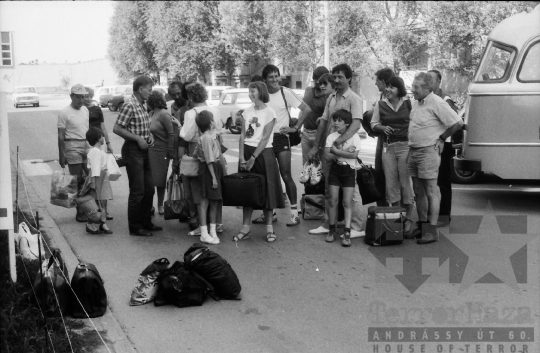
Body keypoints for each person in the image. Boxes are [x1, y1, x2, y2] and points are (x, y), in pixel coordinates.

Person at [309, 64, 366, 238]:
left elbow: (356, 124)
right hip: (330, 150)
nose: (337, 80)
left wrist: (339, 142)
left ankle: (356, 227)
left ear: (349, 78)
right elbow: (324, 122)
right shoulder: (332, 97)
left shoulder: (353, 98)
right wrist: (316, 146)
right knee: (329, 188)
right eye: (335, 77)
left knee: (351, 191)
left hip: (345, 150)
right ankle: (329, 223)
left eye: (341, 77)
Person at [405, 72, 463, 244]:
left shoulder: (437, 102)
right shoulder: (417, 103)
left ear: (427, 88)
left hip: (428, 151)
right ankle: (422, 226)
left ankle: (431, 231)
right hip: (414, 151)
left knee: (431, 191)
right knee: (418, 191)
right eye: (412, 86)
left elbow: (457, 123)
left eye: (415, 87)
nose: (412, 90)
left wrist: (442, 138)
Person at [252, 64, 312, 227]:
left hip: (281, 138)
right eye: (270, 77)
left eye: (276, 76)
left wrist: (295, 127)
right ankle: (270, 214)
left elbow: (306, 109)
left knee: (286, 175)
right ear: (264, 79)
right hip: (265, 139)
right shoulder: (261, 94)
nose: (274, 80)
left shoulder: (285, 92)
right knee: (267, 176)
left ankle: (294, 214)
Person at [233, 81, 285, 242]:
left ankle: (269, 229)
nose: (250, 94)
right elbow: (242, 136)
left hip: (263, 154)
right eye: (249, 91)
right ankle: (245, 228)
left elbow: (265, 138)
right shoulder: (246, 112)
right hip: (247, 151)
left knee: (267, 191)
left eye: (253, 91)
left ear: (261, 92)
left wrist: (253, 158)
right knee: (247, 191)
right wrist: (242, 158)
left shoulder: (270, 113)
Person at [113, 75, 162, 237]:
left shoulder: (142, 105)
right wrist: (137, 138)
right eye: (149, 90)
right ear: (140, 90)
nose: (150, 93)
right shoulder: (130, 105)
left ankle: (146, 222)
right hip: (133, 151)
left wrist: (149, 136)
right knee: (138, 191)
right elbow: (117, 128)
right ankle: (135, 226)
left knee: (149, 189)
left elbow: (143, 128)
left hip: (144, 150)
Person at [370, 77, 415, 233]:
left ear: (399, 89)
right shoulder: (380, 104)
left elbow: (417, 122)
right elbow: (373, 123)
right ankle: (397, 217)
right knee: (391, 185)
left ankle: (408, 218)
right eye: (387, 87)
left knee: (406, 184)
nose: (388, 90)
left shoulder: (409, 103)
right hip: (388, 148)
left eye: (392, 87)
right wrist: (382, 128)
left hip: (405, 147)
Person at [180, 82, 225, 236]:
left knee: (198, 189)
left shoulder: (191, 113)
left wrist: (179, 127)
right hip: (215, 148)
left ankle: (202, 223)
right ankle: (217, 222)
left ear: (191, 96)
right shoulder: (215, 110)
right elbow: (219, 130)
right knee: (215, 188)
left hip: (197, 148)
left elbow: (186, 135)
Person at [324, 110, 362, 247]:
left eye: (339, 120)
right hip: (335, 170)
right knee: (333, 200)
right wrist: (344, 152)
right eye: (335, 120)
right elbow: (327, 156)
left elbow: (354, 156)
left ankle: (347, 232)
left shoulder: (355, 137)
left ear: (347, 124)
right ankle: (332, 229)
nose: (336, 123)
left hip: (349, 171)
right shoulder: (331, 137)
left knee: (347, 202)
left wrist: (336, 150)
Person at [428, 70, 459, 226]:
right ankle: (433, 214)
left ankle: (444, 217)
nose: (428, 82)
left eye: (431, 80)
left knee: (443, 181)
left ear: (439, 81)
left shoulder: (445, 100)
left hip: (444, 145)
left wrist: (441, 137)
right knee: (432, 182)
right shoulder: (427, 99)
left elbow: (455, 123)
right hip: (431, 145)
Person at [57, 84, 90, 222]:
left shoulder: (85, 110)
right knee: (77, 179)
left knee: (89, 178)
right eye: (78, 97)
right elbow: (60, 135)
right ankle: (79, 211)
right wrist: (61, 154)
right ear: (71, 96)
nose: (81, 100)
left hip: (85, 144)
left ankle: (88, 208)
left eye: (83, 97)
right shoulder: (64, 112)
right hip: (72, 145)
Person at [194, 110, 224, 245]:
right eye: (212, 120)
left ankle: (212, 231)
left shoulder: (209, 136)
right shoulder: (206, 138)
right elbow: (209, 159)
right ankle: (204, 233)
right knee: (205, 201)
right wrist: (213, 177)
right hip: (208, 170)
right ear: (209, 123)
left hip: (212, 168)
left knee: (214, 201)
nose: (214, 122)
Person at [147, 90, 176, 215]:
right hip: (151, 150)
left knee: (160, 179)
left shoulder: (164, 114)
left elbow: (171, 133)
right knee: (150, 180)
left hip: (162, 151)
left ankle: (160, 204)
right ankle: (150, 205)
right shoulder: (151, 113)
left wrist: (170, 150)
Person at [373, 68, 396, 207]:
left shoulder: (397, 98)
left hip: (394, 141)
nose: (375, 84)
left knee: (392, 177)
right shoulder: (381, 98)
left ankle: (395, 211)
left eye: (377, 80)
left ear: (383, 81)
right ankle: (382, 210)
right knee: (379, 174)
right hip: (382, 139)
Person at [84, 127, 113, 235]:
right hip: (98, 178)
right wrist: (95, 184)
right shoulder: (95, 151)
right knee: (97, 203)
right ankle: (91, 223)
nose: (103, 138)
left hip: (102, 177)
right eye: (102, 136)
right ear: (98, 138)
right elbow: (95, 168)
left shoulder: (98, 151)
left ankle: (102, 222)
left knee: (103, 202)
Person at [298, 66, 329, 166]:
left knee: (319, 167)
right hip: (306, 133)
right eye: (315, 79)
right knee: (306, 167)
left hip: (319, 134)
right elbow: (303, 110)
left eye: (320, 80)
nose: (317, 82)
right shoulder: (308, 90)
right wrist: (298, 126)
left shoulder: (328, 96)